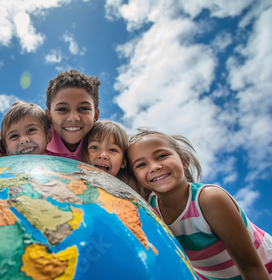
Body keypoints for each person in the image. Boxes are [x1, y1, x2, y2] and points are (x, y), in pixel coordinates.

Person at [126, 128, 272, 280]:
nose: (154, 167)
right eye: (141, 165)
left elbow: (251, 267)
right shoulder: (150, 208)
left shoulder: (209, 199)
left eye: (162, 156)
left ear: (184, 160)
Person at [45, 69, 100, 160]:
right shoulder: (35, 148)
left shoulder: (105, 152)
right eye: (62, 109)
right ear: (49, 115)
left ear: (95, 115)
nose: (73, 118)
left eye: (83, 108)